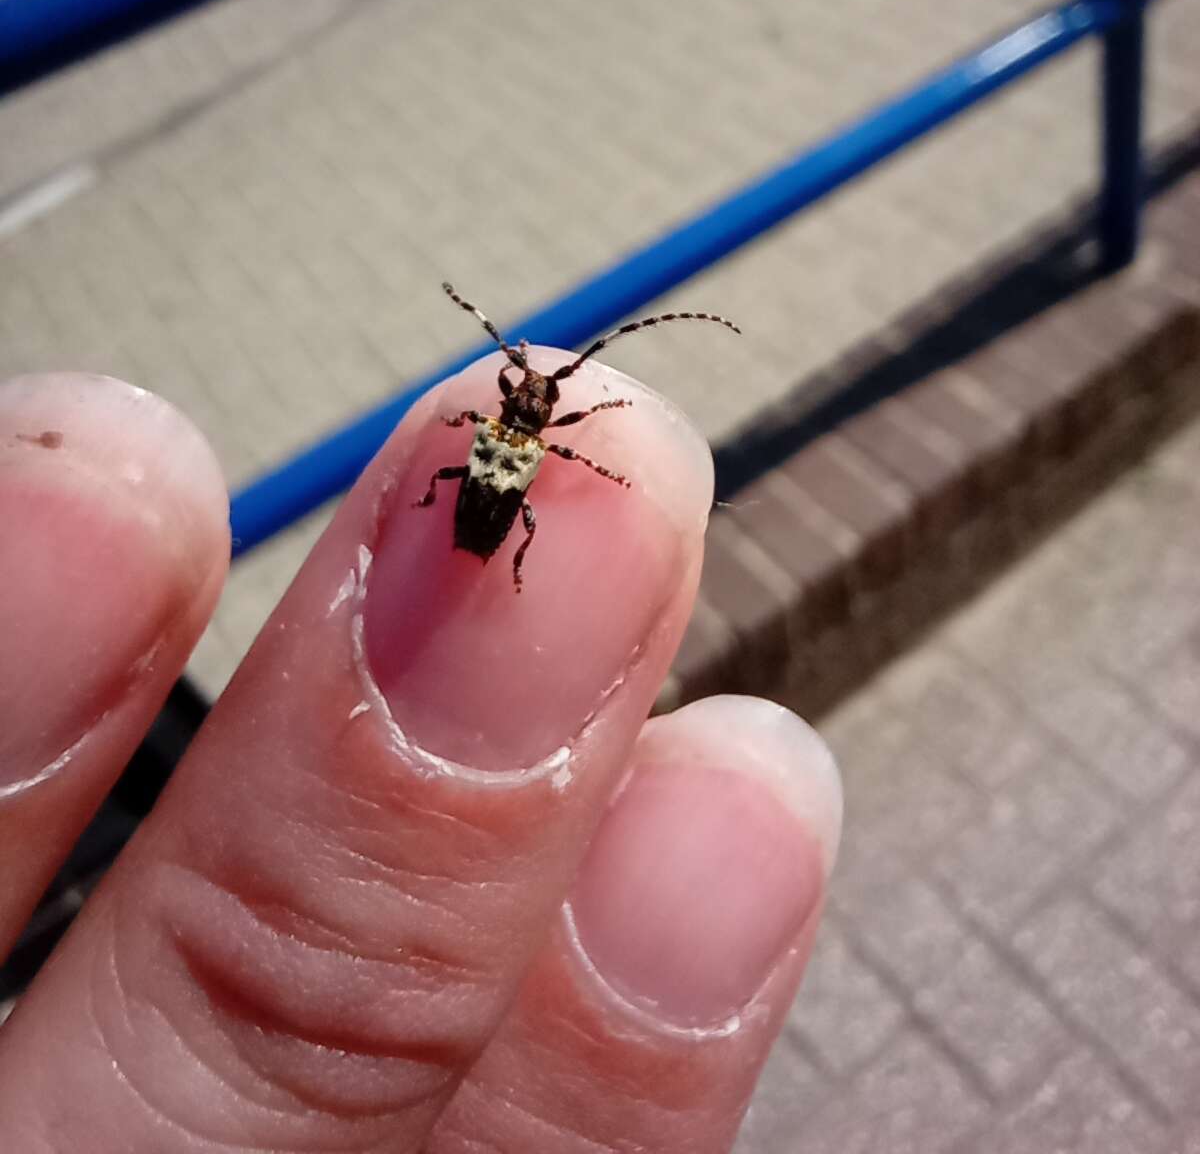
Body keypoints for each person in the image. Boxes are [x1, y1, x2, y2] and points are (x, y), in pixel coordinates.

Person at [0, 359, 842, 1152]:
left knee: (474, 495)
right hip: (488, 515)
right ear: (538, 413)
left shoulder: (495, 431)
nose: (531, 401)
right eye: (533, 396)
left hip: (476, 511)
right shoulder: (529, 440)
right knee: (497, 503)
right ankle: (505, 564)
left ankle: (502, 561)